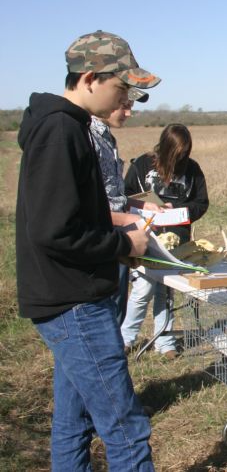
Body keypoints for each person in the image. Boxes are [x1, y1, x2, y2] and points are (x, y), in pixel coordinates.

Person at [16, 30, 159, 471]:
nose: (126, 99)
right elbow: (54, 232)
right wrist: (123, 243)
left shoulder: (67, 127)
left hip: (71, 296)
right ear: (91, 78)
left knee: (74, 420)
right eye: (121, 88)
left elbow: (69, 219)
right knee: (126, 428)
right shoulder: (61, 131)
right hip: (74, 303)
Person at [121, 123, 209, 359]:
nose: (181, 158)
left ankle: (165, 342)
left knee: (166, 291)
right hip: (145, 238)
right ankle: (126, 339)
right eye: (177, 153)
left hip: (176, 242)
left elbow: (202, 203)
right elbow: (125, 195)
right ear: (166, 147)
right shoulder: (141, 165)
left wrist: (178, 209)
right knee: (143, 288)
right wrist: (144, 208)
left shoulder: (192, 169)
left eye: (185, 153)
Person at [90, 88, 163, 325]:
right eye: (123, 104)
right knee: (104, 316)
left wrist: (141, 205)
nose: (129, 112)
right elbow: (82, 206)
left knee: (117, 305)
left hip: (116, 241)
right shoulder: (86, 137)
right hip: (99, 243)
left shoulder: (106, 137)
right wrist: (126, 220)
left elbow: (111, 196)